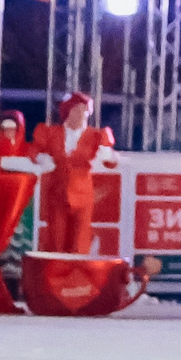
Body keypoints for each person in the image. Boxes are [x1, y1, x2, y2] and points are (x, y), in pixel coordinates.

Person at [29, 92, 118, 256]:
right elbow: (33, 150)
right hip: (57, 194)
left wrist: (106, 155)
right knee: (56, 242)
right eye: (76, 109)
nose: (81, 114)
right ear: (67, 112)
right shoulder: (51, 133)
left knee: (80, 243)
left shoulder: (96, 136)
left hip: (83, 195)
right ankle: (56, 278)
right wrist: (41, 158)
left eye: (84, 110)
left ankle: (76, 278)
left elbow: (111, 160)